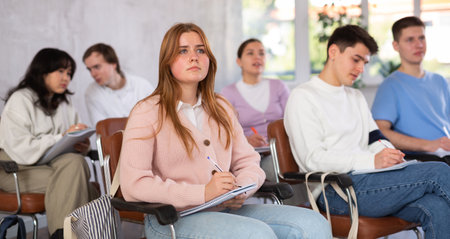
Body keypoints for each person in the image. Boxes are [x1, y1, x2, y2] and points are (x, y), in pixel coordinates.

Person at [120, 23, 331, 239]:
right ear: (167, 61)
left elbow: (248, 162)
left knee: (314, 224)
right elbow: (134, 184)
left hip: (225, 209)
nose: (194, 57)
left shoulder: (221, 106)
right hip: (171, 220)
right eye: (183, 51)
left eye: (200, 50)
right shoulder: (147, 111)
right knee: (256, 235)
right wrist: (203, 193)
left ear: (209, 59)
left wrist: (240, 189)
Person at [284, 25, 450, 239]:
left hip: (372, 182)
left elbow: (376, 138)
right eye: (356, 59)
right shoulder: (303, 97)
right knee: (438, 172)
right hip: (336, 191)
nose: (361, 68)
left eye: (365, 62)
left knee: (436, 206)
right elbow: (313, 159)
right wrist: (371, 161)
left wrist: (389, 153)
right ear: (333, 52)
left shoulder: (355, 97)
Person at [0, 48, 98, 239]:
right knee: (84, 185)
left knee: (75, 163)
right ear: (42, 71)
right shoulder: (21, 99)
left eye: (69, 73)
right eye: (60, 71)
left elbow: (69, 142)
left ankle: (64, 235)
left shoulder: (64, 104)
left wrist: (82, 146)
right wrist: (61, 137)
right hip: (14, 169)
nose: (66, 77)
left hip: (50, 167)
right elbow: (22, 149)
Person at [371, 16, 450, 159]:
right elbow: (380, 132)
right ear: (396, 46)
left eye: (421, 38)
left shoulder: (440, 81)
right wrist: (429, 145)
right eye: (410, 40)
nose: (418, 45)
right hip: (425, 159)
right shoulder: (390, 86)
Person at [221, 38, 289, 147]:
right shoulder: (228, 93)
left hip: (281, 148)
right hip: (249, 151)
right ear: (239, 61)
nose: (257, 57)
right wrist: (246, 139)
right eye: (250, 53)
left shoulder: (278, 86)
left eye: (261, 53)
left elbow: (292, 120)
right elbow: (224, 131)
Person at [83, 43, 154, 126]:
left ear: (113, 64)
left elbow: (158, 120)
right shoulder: (92, 93)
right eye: (89, 69)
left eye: (97, 67)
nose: (93, 74)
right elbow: (102, 129)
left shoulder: (142, 86)